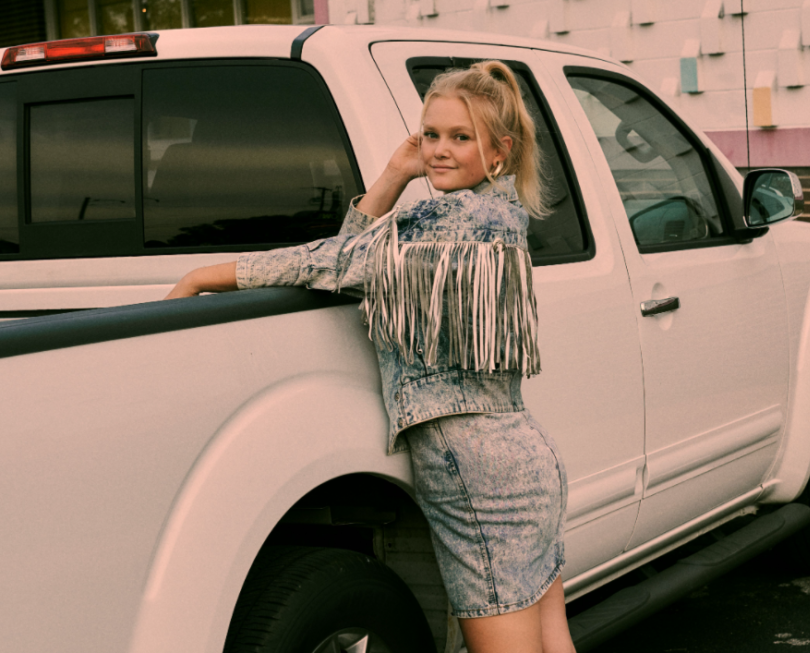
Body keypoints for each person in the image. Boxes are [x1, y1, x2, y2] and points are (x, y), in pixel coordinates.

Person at [164, 60, 575, 653]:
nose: (437, 150)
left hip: (474, 472)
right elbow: (359, 250)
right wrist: (394, 172)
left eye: (461, 138)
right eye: (430, 134)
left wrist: (205, 275)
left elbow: (330, 260)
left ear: (499, 151)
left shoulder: (435, 225)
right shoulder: (502, 213)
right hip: (527, 457)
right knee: (553, 641)